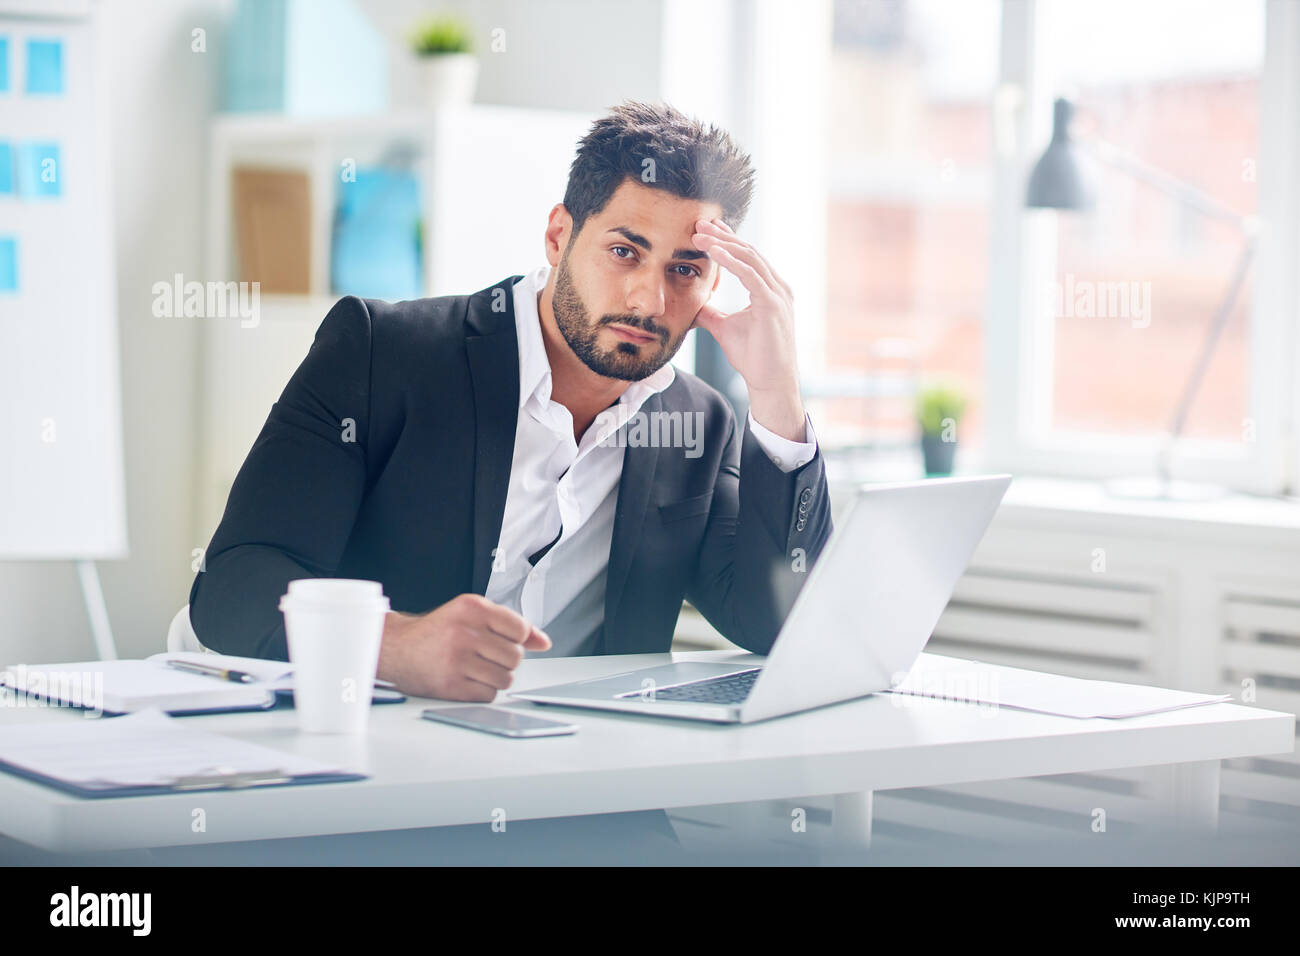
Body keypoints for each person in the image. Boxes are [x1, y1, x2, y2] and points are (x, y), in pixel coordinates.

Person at [187, 100, 833, 861]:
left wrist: (779, 400)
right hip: (372, 792)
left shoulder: (701, 422)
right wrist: (398, 646)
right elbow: (234, 584)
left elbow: (778, 625)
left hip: (586, 806)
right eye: (625, 251)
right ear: (560, 234)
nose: (649, 302)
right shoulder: (382, 352)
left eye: (684, 269)